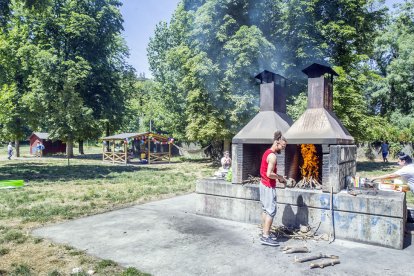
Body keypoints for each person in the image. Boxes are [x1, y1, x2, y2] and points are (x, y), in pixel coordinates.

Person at [259, 130, 287, 246]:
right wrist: (281, 177)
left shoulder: (267, 152)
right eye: (283, 146)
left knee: (265, 209)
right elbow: (269, 174)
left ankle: (265, 232)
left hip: (262, 184)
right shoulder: (272, 156)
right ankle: (265, 237)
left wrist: (279, 177)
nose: (283, 148)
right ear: (277, 143)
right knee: (271, 211)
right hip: (268, 186)